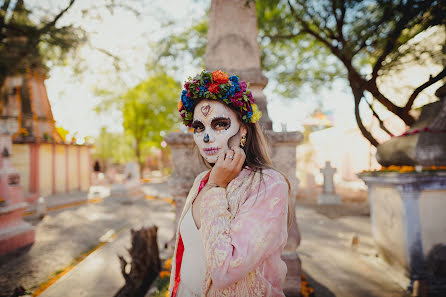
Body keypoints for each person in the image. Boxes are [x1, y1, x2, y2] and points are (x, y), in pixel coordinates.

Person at [168, 70, 291, 297]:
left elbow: (225, 271)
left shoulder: (269, 185)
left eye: (220, 124)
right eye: (199, 127)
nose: (206, 137)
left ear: (243, 130)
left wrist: (216, 188)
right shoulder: (201, 180)